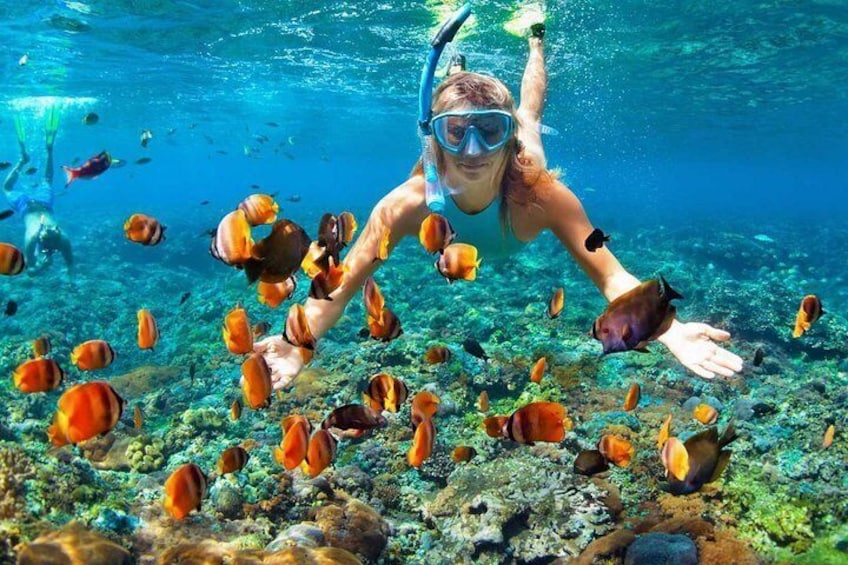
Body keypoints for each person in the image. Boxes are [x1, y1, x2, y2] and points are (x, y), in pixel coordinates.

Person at [255, 23, 744, 388]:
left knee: (530, 112)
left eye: (491, 130)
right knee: (465, 98)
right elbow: (341, 284)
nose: (473, 151)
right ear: (436, 140)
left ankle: (534, 39)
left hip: (526, 157)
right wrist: (300, 343)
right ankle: (456, 73)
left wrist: (665, 327)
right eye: (455, 132)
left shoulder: (542, 195)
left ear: (507, 140)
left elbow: (611, 275)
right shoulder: (406, 205)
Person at [2, 106, 73, 273]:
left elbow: (69, 265)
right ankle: (29, 158)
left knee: (44, 179)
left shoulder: (58, 238)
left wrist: (41, 264)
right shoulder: (37, 237)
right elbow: (31, 269)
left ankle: (41, 153)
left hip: (43, 203)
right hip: (26, 206)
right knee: (7, 188)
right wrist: (41, 266)